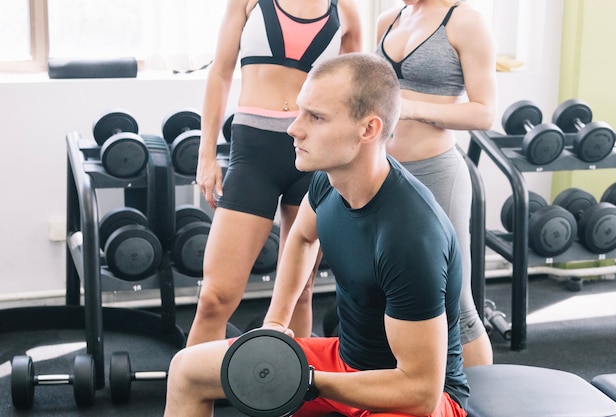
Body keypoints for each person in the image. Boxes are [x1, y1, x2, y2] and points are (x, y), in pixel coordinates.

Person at [164, 52, 469, 417]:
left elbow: (419, 390)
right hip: (344, 362)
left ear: (368, 129)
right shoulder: (329, 180)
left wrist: (307, 380)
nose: (294, 128)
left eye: (316, 117)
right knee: (187, 370)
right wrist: (276, 323)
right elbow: (302, 239)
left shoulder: (410, 236)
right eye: (301, 110)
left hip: (410, 396)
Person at [187, 0, 362, 346]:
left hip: (313, 156)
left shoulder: (345, 10)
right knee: (214, 299)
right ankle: (191, 393)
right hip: (253, 155)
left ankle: (290, 398)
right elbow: (220, 74)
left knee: (300, 294)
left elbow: (355, 96)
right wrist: (206, 155)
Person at [375, 0, 497, 367]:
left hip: (437, 173)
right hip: (385, 173)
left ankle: (483, 404)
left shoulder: (465, 22)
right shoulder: (388, 19)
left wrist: (409, 107)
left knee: (456, 304)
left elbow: (484, 112)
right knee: (390, 292)